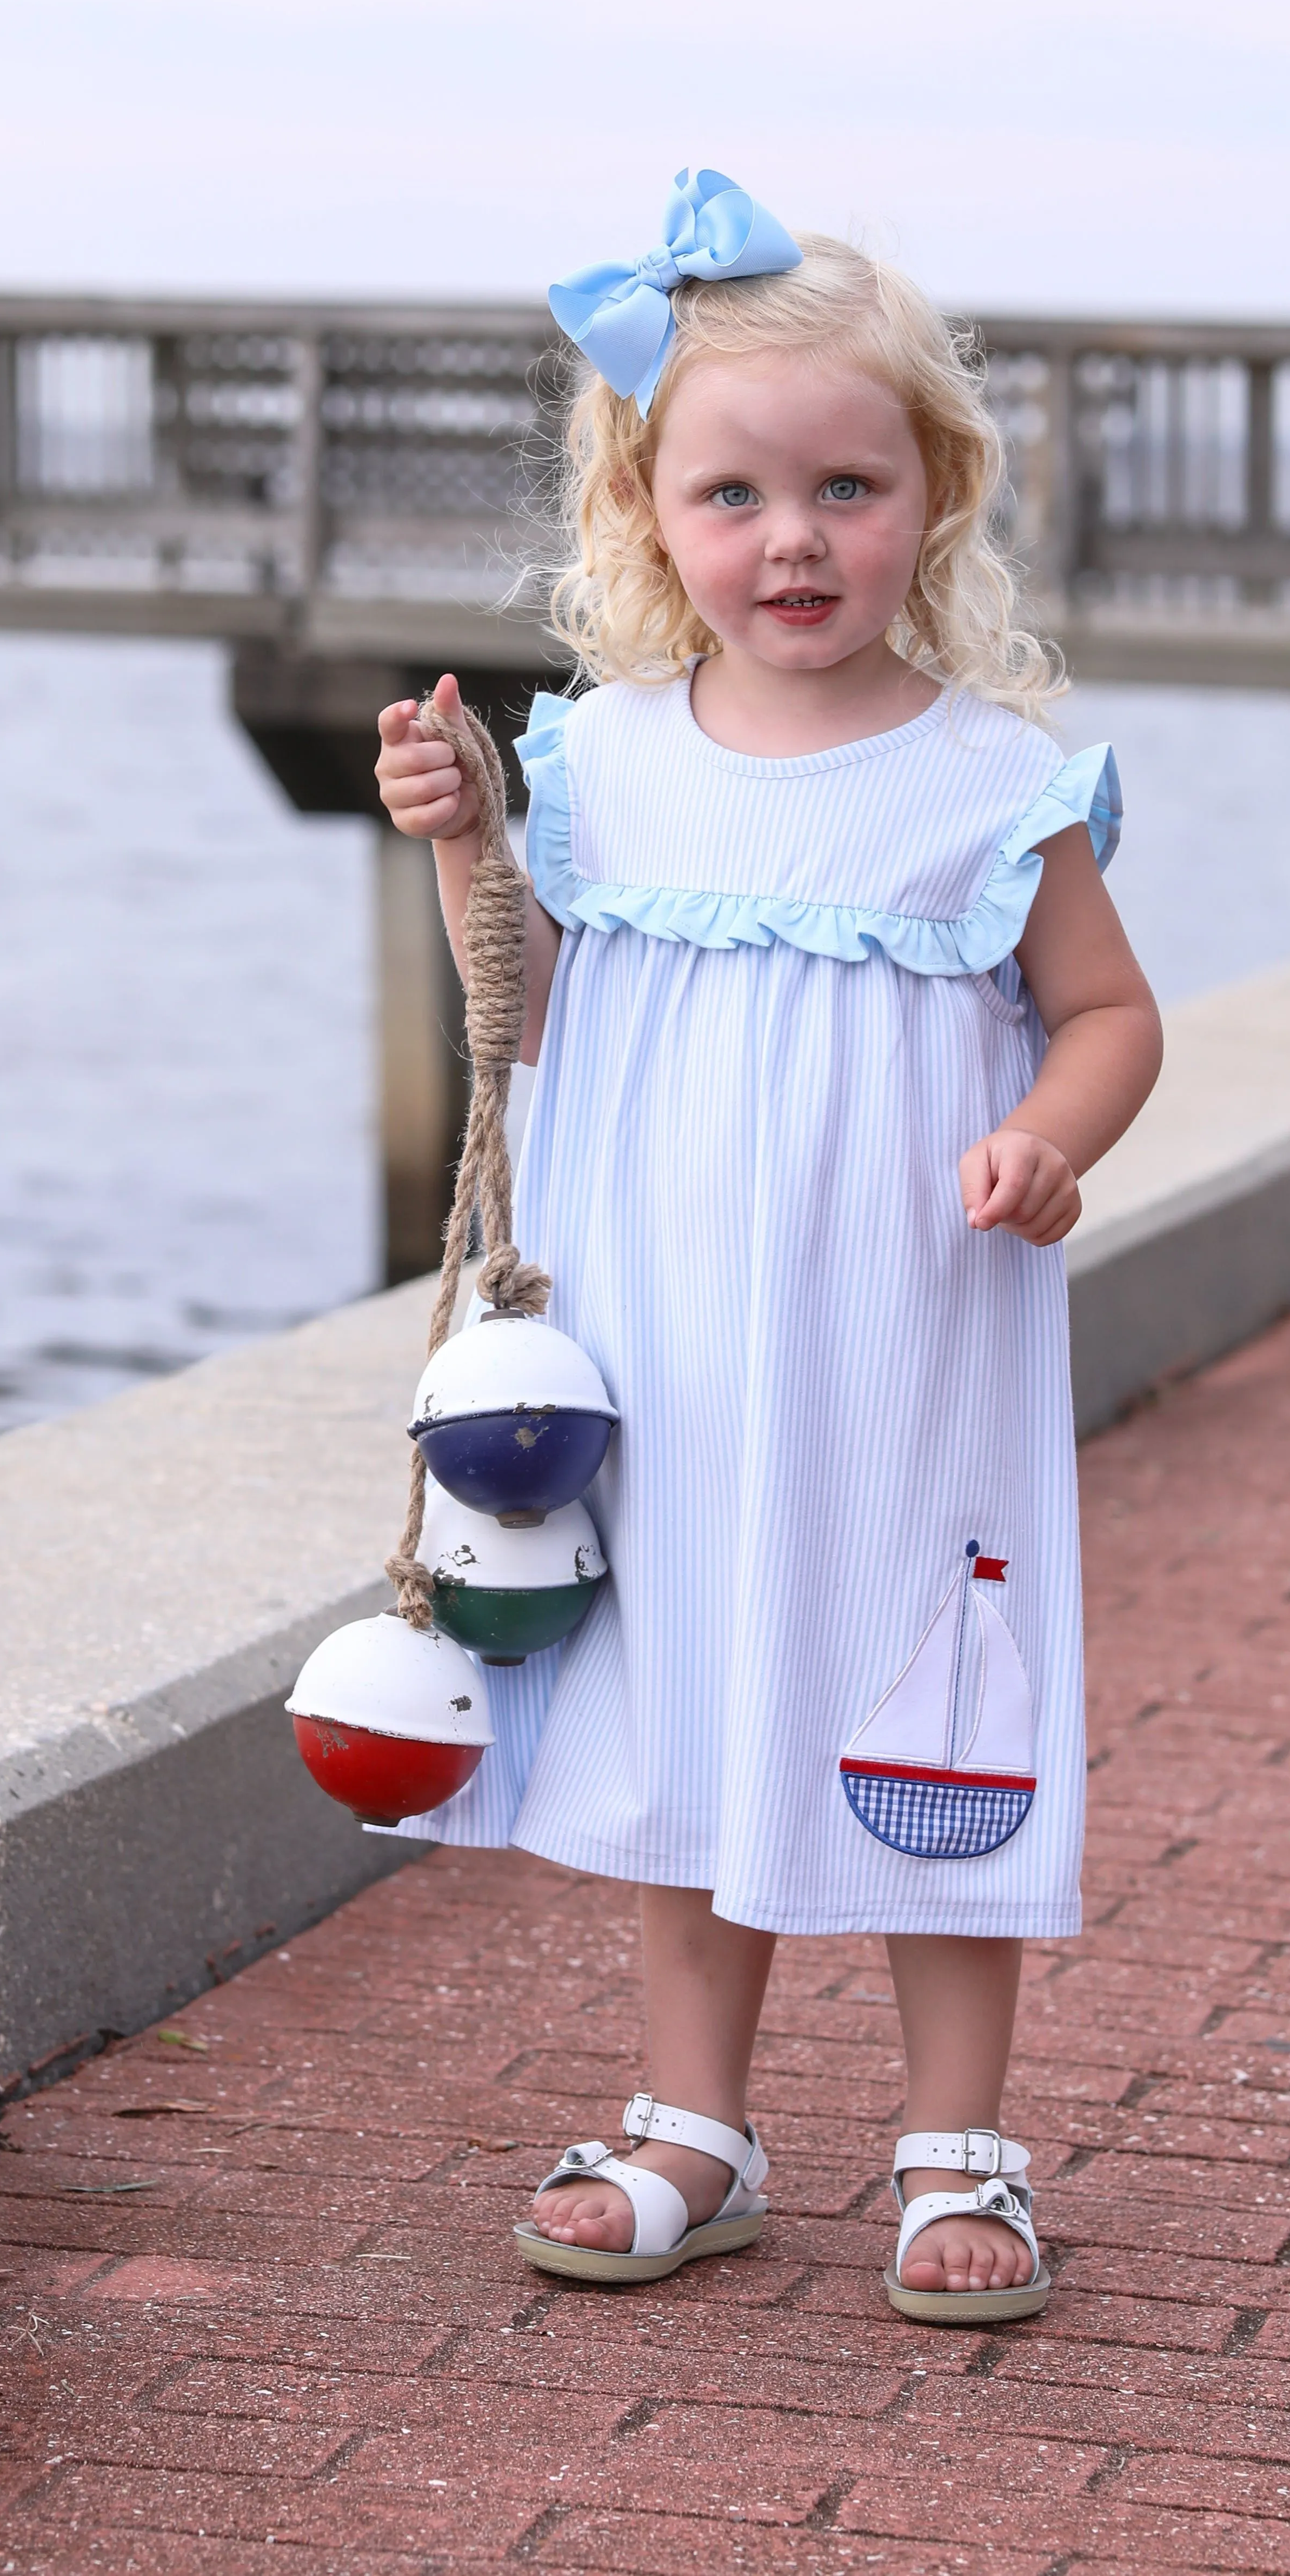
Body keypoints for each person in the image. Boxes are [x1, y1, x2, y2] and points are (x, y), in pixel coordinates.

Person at [372, 171, 1161, 2319]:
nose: (790, 536)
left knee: (936, 1715)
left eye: (843, 484)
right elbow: (517, 1007)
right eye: (732, 492)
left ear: (936, 494)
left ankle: (953, 2134)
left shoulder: (987, 782)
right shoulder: (601, 764)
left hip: (911, 1348)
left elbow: (1107, 1013)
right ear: (649, 510)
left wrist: (1041, 1131)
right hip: (673, 1354)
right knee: (689, 1703)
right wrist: (464, 848)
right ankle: (694, 2121)